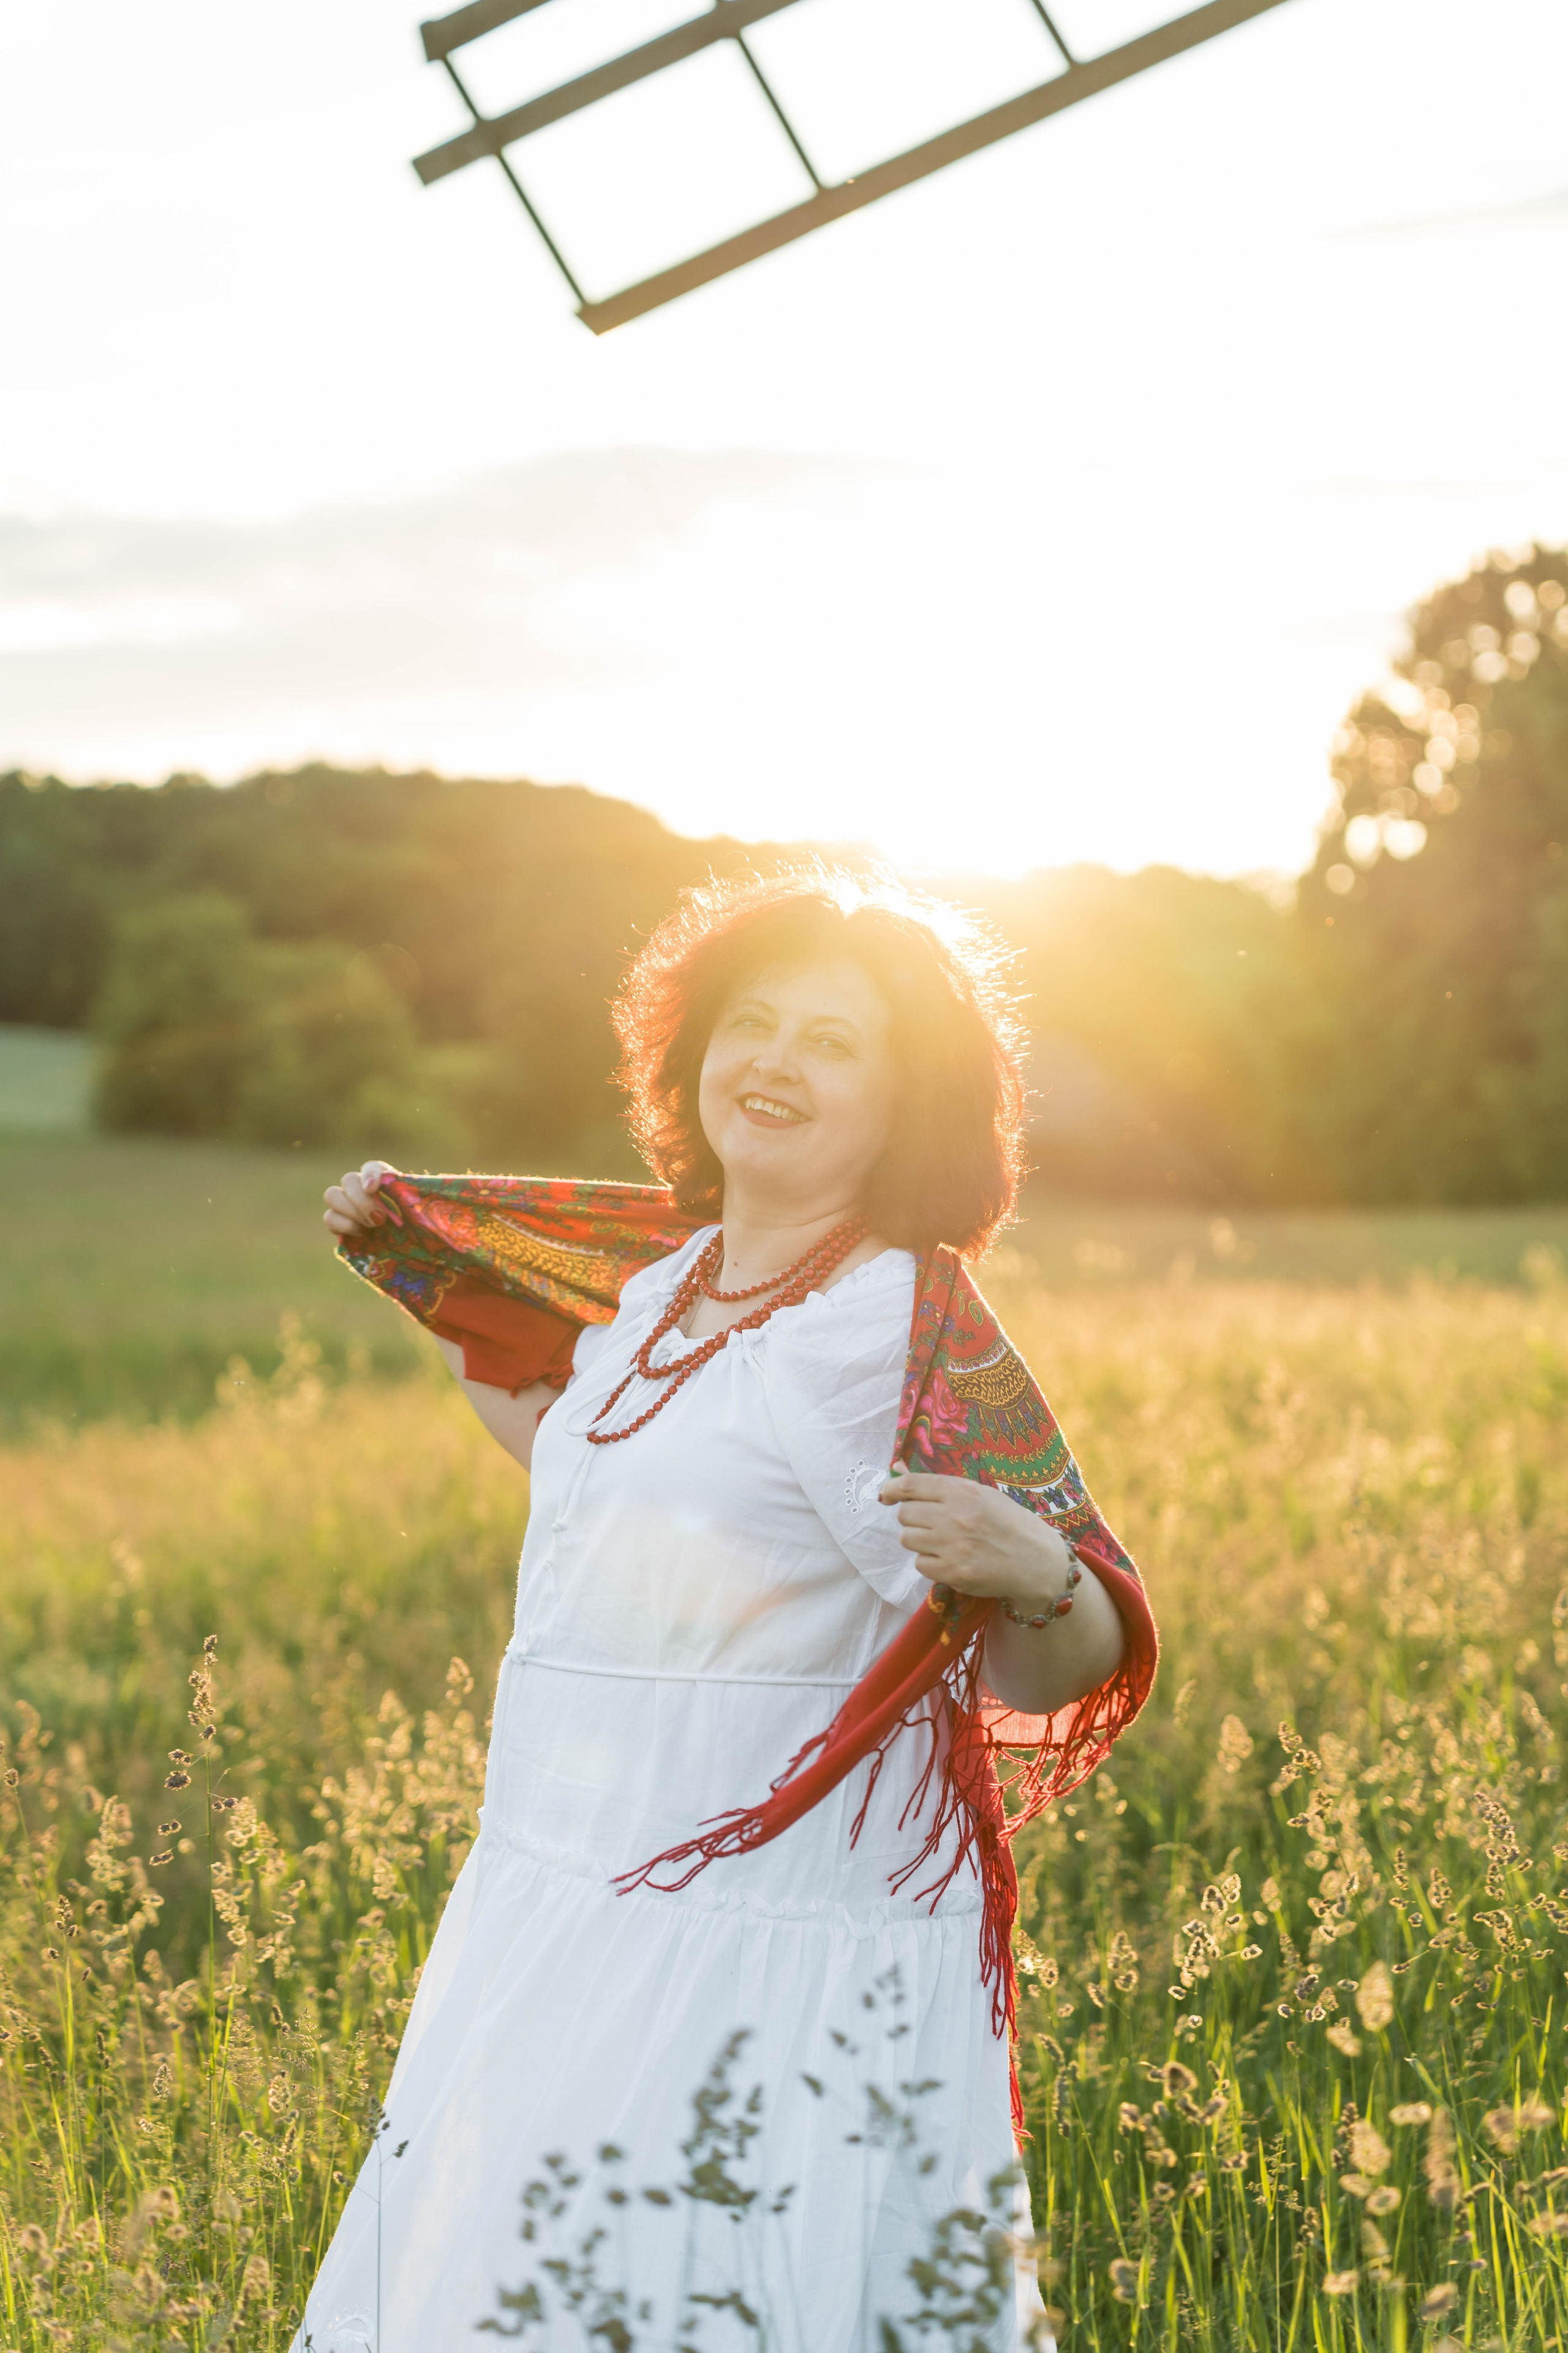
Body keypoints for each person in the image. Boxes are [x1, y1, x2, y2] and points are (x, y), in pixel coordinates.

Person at [303, 869, 1155, 2352]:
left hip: (769, 1932)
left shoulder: (889, 1325)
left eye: (833, 1043)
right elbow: (633, 1512)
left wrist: (1036, 1572)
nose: (774, 1061)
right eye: (750, 1023)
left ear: (905, 1106)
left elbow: (1058, 1653)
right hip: (570, 1884)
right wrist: (440, 1279)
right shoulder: (663, 1286)